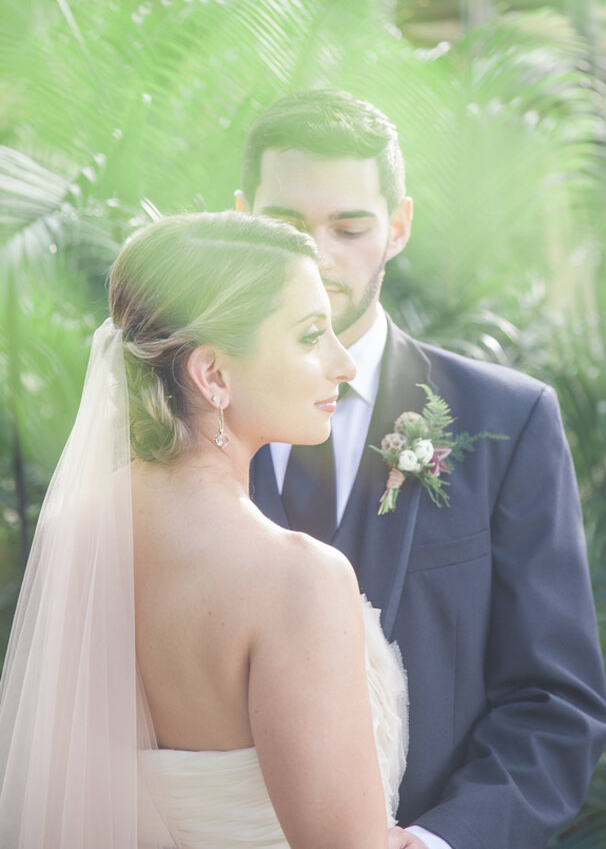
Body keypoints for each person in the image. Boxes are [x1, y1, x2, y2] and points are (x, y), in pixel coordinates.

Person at [238, 89, 606, 849]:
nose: (317, 254)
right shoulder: (185, 420)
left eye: (349, 227)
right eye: (285, 226)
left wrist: (441, 842)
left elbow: (556, 701)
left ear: (398, 227)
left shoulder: (506, 422)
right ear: (241, 219)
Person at [0, 210, 408, 849]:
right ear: (213, 375)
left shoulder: (74, 532)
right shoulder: (298, 579)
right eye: (309, 336)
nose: (343, 364)